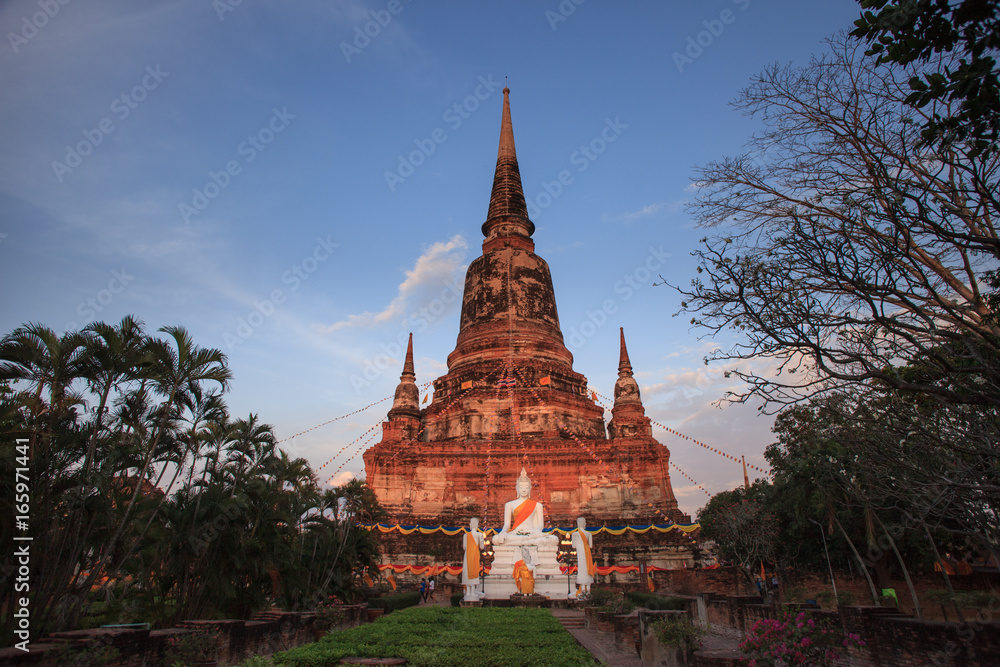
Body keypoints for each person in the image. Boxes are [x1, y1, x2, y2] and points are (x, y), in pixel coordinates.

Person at [492, 468, 558, 546]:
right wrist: (503, 532)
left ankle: (522, 542)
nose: (524, 490)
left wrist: (534, 533)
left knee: (554, 539)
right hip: (515, 534)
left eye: (526, 487)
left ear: (530, 489)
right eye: (521, 487)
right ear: (517, 488)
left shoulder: (537, 505)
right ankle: (527, 542)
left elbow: (540, 525)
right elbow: (507, 524)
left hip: (532, 533)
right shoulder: (509, 504)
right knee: (496, 539)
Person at [570, 516, 596, 597]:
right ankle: (587, 591)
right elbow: (590, 546)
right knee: (587, 569)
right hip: (587, 553)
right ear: (585, 524)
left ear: (578, 524)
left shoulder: (575, 534)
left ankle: (582, 590)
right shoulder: (589, 534)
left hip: (580, 552)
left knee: (581, 570)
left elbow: (574, 546)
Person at [462, 517, 486, 600]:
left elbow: (464, 547)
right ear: (477, 525)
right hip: (475, 556)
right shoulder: (479, 535)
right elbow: (482, 547)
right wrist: (482, 541)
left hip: (467, 556)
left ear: (470, 525)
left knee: (467, 571)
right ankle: (472, 592)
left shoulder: (465, 535)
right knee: (474, 571)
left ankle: (468, 593)